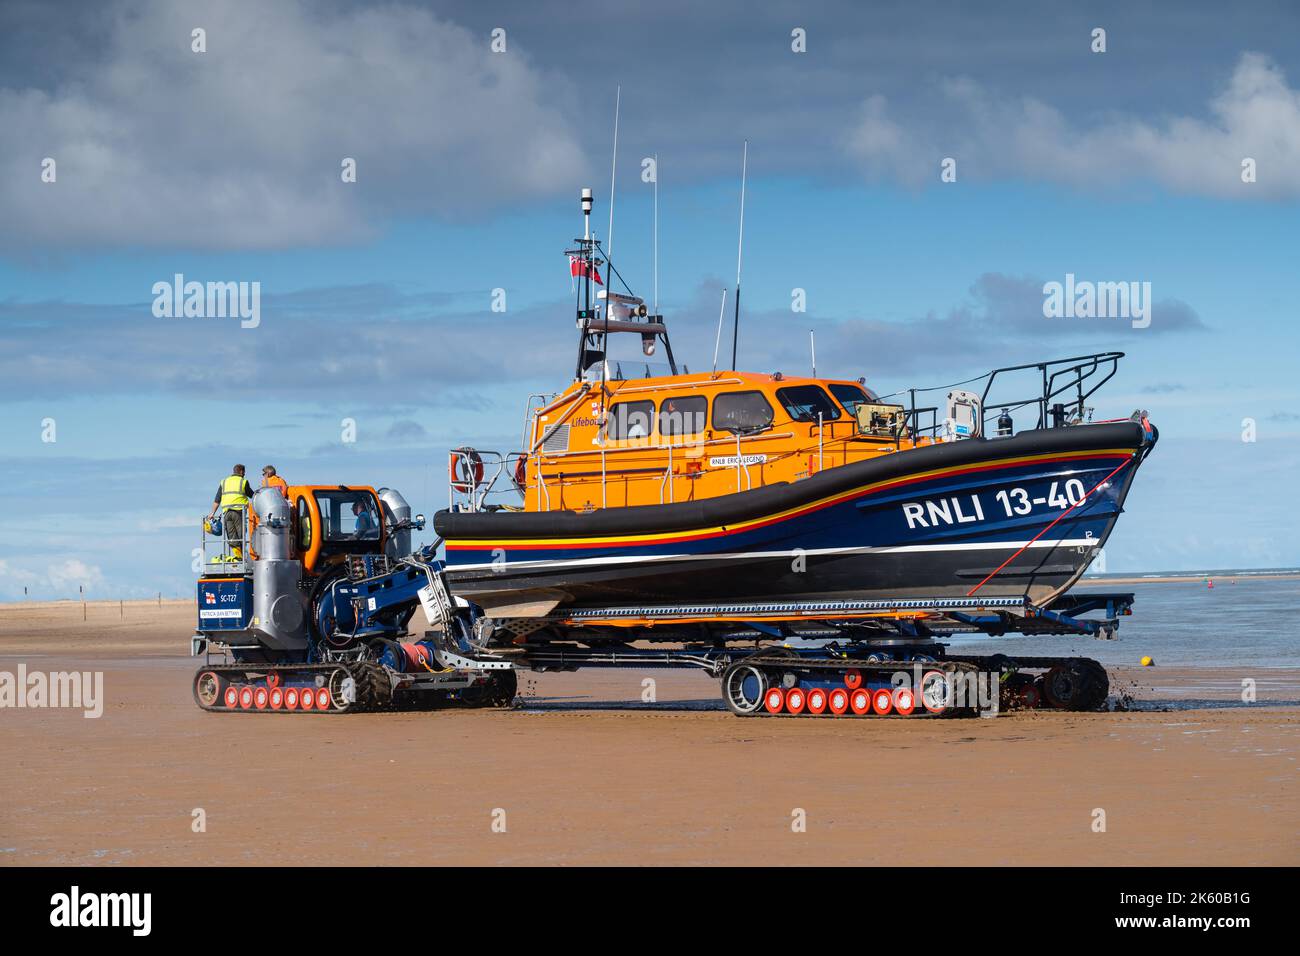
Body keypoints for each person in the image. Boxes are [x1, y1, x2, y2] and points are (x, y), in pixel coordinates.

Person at [208, 465, 253, 562]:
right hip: (238, 512)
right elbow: (251, 495)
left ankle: (238, 557)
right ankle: (242, 558)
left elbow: (217, 499)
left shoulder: (224, 482)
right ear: (241, 472)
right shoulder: (243, 481)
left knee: (231, 536)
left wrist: (212, 513)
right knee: (241, 536)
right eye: (244, 472)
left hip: (226, 513)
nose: (244, 474)